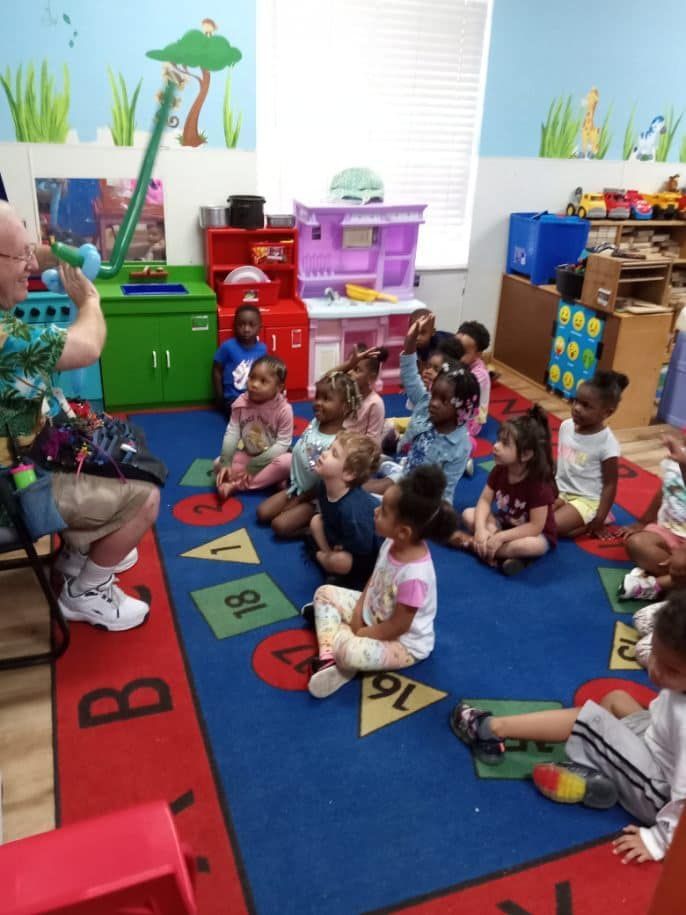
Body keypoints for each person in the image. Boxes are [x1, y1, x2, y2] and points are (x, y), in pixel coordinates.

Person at [0, 201, 158, 631]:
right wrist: (89, 298)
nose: (30, 266)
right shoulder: (5, 336)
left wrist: (46, 252)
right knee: (146, 492)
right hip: (12, 491)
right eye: (21, 257)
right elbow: (88, 345)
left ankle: (76, 555)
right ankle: (86, 591)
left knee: (118, 447)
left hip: (23, 461)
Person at [450, 590, 686, 864]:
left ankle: (491, 729)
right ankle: (600, 777)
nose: (655, 670)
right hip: (657, 747)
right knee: (615, 700)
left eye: (670, 669)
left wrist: (658, 841)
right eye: (655, 654)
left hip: (660, 795)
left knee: (593, 723)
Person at [305, 465, 458, 698]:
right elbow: (373, 581)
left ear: (404, 532)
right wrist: (357, 613)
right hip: (372, 614)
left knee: (348, 650)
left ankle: (336, 646)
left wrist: (361, 634)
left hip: (403, 644)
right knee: (324, 592)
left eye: (384, 511)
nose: (375, 511)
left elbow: (398, 626)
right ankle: (328, 659)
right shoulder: (390, 542)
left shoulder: (415, 576)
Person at [366, 315, 479, 505]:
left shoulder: (459, 445)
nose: (433, 403)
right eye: (434, 396)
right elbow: (410, 374)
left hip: (419, 499)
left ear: (459, 408)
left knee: (368, 496)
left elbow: (444, 495)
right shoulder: (426, 400)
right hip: (406, 472)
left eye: (442, 400)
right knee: (364, 484)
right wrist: (410, 342)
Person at [450, 405, 556, 575]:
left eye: (505, 444)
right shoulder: (500, 469)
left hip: (533, 534)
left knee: (530, 545)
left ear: (526, 455)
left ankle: (475, 546)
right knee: (468, 514)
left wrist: (499, 538)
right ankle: (497, 551)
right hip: (504, 525)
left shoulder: (539, 485)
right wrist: (480, 530)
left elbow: (535, 527)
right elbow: (484, 501)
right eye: (498, 440)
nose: (496, 446)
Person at [257, 371, 360, 537]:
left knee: (279, 526)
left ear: (345, 407)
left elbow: (322, 484)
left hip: (316, 498)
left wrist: (298, 501)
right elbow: (327, 379)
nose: (318, 403)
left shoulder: (340, 441)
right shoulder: (317, 422)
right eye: (317, 397)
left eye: (326, 399)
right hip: (297, 488)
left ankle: (319, 527)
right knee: (262, 513)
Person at [553, 370, 628, 538]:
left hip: (586, 499)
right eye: (575, 401)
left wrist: (600, 519)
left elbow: (610, 484)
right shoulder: (566, 426)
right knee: (535, 514)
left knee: (552, 525)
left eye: (586, 406)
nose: (577, 408)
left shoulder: (607, 444)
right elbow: (566, 461)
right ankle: (579, 525)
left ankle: (595, 519)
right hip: (560, 491)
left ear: (607, 412)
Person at [308, 431, 381, 589]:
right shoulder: (322, 486)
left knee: (340, 561)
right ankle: (327, 558)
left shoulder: (352, 509)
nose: (324, 454)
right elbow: (327, 517)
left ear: (348, 474)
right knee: (315, 521)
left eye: (334, 454)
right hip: (339, 536)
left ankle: (326, 561)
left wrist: (344, 546)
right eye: (329, 449)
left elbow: (365, 548)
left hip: (365, 555)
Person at [214, 355, 293, 501]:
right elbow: (232, 433)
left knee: (288, 462)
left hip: (274, 457)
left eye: (263, 381)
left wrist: (254, 466)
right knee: (218, 463)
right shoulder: (240, 403)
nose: (254, 384)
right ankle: (272, 479)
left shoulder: (284, 409)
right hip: (250, 455)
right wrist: (226, 462)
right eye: (252, 378)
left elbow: (283, 444)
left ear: (279, 387)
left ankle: (237, 486)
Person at [618, 431, 686, 601]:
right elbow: (665, 490)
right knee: (637, 543)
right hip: (668, 531)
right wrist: (644, 521)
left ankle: (658, 584)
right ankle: (677, 581)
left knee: (681, 564)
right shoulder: (677, 457)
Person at [212, 304, 267, 418]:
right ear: (235, 326)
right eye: (241, 325)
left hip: (255, 397)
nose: (246, 329)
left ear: (260, 327)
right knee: (243, 416)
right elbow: (216, 370)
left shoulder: (263, 349)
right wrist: (219, 397)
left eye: (252, 325)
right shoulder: (228, 347)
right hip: (233, 398)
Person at [456, 320, 491, 476]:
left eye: (464, 352)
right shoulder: (457, 362)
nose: (458, 354)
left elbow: (460, 392)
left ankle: (463, 456)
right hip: (454, 407)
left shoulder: (480, 375)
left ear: (478, 354)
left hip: (471, 418)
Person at [333, 343, 387, 443]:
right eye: (349, 367)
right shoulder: (344, 393)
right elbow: (325, 380)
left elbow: (373, 442)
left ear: (372, 376)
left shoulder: (375, 403)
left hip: (356, 451)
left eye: (357, 370)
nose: (349, 373)